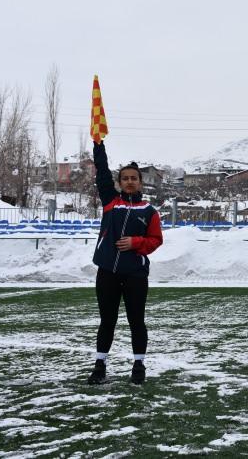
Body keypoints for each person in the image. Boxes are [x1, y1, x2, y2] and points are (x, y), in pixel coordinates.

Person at [87, 140, 163, 385]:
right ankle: (100, 365)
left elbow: (155, 240)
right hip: (107, 271)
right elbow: (101, 169)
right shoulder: (111, 201)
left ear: (140, 183)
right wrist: (98, 142)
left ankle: (139, 364)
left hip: (135, 274)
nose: (130, 181)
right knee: (107, 321)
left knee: (136, 320)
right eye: (125, 178)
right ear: (119, 183)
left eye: (134, 178)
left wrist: (135, 243)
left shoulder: (149, 211)